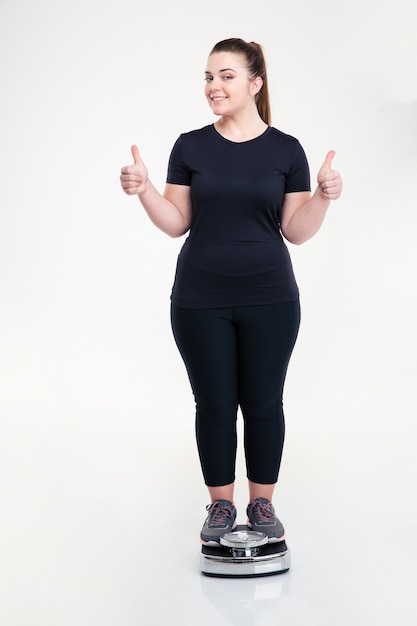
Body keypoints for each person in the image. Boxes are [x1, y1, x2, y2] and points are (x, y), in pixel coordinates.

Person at [120, 37, 342, 546]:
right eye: (208, 77)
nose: (213, 87)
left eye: (225, 76)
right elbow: (177, 223)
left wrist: (324, 198)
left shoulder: (286, 149)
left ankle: (261, 505)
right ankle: (221, 507)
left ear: (254, 84)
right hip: (200, 299)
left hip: (271, 297)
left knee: (264, 403)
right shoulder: (190, 146)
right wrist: (145, 189)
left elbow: (298, 230)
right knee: (215, 405)